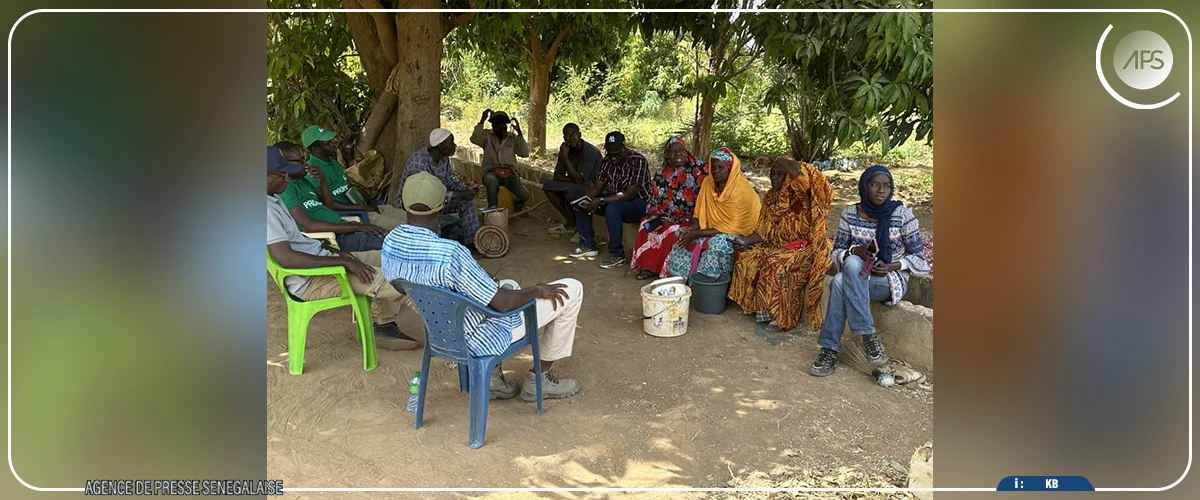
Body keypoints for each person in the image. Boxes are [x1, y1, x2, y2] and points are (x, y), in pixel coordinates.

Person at [382, 171, 583, 401]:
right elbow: (503, 304)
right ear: (441, 209)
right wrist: (537, 290)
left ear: (406, 205)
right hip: (480, 337)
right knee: (572, 289)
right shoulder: (450, 253)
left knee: (509, 284)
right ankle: (541, 379)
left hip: (441, 333)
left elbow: (401, 285)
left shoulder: (392, 242)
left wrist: (481, 280)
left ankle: (493, 379)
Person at [266, 146, 421, 351]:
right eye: (282, 172)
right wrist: (343, 261)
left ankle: (384, 325)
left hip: (323, 262)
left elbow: (297, 240)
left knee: (396, 260)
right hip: (313, 279)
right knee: (403, 281)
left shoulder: (273, 199)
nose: (287, 176)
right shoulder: (265, 210)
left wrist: (337, 253)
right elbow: (285, 258)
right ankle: (453, 339)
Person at [809, 165, 930, 377]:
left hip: (888, 279)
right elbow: (836, 252)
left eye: (886, 186)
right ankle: (868, 338)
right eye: (875, 185)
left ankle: (830, 350)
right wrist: (857, 250)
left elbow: (919, 259)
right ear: (865, 187)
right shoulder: (850, 213)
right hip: (857, 274)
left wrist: (891, 265)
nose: (881, 190)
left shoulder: (902, 215)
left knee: (841, 280)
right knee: (849, 269)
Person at [730, 157, 834, 332]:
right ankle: (761, 310)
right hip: (776, 245)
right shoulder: (771, 197)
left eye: (780, 174)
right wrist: (743, 241)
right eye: (772, 174)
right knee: (748, 259)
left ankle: (781, 318)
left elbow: (798, 172)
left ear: (788, 177)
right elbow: (762, 231)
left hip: (806, 246)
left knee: (776, 263)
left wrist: (774, 159)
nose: (775, 178)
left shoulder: (801, 195)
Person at [661, 148, 761, 280]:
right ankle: (680, 280)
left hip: (738, 233)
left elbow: (732, 226)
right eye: (713, 167)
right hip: (711, 229)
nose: (715, 171)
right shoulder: (708, 183)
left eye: (721, 167)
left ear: (731, 170)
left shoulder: (740, 190)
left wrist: (699, 233)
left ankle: (708, 283)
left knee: (717, 243)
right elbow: (699, 213)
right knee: (681, 234)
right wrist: (691, 229)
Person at [274, 141, 390, 252]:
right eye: (300, 161)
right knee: (396, 242)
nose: (306, 163)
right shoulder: (285, 190)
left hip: (344, 228)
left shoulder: (304, 181)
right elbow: (309, 226)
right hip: (334, 238)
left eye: (304, 158)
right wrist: (356, 227)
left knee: (395, 237)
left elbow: (329, 208)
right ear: (284, 164)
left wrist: (323, 181)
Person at [570, 131, 652, 269]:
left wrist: (601, 200)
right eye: (610, 153)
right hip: (616, 200)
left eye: (617, 153)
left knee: (613, 208)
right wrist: (586, 199)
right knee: (583, 203)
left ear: (624, 148)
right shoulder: (607, 161)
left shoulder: (638, 161)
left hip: (639, 204)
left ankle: (616, 255)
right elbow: (598, 186)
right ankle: (588, 245)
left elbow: (630, 194)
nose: (613, 157)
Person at [630, 137, 708, 280]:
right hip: (664, 215)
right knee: (646, 225)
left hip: (689, 217)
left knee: (672, 231)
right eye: (673, 151)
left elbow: (708, 196)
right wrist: (653, 213)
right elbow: (653, 197)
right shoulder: (662, 171)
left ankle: (665, 271)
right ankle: (649, 268)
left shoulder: (700, 170)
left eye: (681, 150)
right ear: (667, 154)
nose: (678, 153)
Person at [301, 125, 407, 230]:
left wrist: (367, 201)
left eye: (331, 141)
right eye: (327, 143)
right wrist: (360, 208)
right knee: (403, 227)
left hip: (359, 207)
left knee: (409, 218)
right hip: (349, 215)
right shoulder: (313, 171)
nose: (333, 144)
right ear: (315, 148)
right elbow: (327, 203)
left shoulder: (334, 163)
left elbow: (350, 189)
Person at [396, 128, 482, 247]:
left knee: (466, 202)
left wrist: (466, 190)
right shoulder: (419, 162)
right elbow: (425, 196)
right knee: (433, 212)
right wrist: (459, 194)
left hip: (437, 200)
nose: (454, 146)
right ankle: (435, 248)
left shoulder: (444, 159)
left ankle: (471, 243)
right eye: (451, 143)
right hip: (413, 204)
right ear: (441, 146)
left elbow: (449, 183)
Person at [542, 123, 604, 235]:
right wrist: (574, 179)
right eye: (567, 136)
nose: (570, 138)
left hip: (594, 187)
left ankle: (582, 231)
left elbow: (579, 179)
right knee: (548, 186)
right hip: (578, 184)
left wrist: (566, 159)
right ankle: (570, 222)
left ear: (579, 135)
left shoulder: (590, 152)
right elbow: (557, 176)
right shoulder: (565, 149)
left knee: (574, 191)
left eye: (573, 134)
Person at [471, 110, 531, 211]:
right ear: (493, 126)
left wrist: (520, 133)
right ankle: (492, 209)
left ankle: (515, 206)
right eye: (498, 125)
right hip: (491, 172)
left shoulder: (512, 138)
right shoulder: (487, 136)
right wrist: (481, 121)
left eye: (503, 124)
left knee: (524, 195)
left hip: (509, 173)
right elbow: (474, 139)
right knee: (491, 181)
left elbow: (524, 153)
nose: (501, 127)